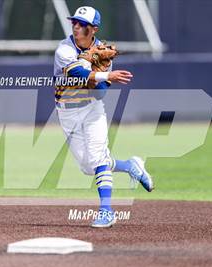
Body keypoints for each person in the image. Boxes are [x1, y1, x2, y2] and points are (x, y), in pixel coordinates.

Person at [53, 6, 153, 228]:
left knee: (98, 159)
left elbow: (101, 93)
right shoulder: (64, 49)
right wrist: (105, 75)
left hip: (92, 109)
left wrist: (98, 78)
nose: (76, 27)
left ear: (94, 29)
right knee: (88, 167)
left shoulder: (103, 52)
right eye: (74, 23)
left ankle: (106, 212)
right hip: (66, 112)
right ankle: (130, 165)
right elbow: (76, 72)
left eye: (82, 24)